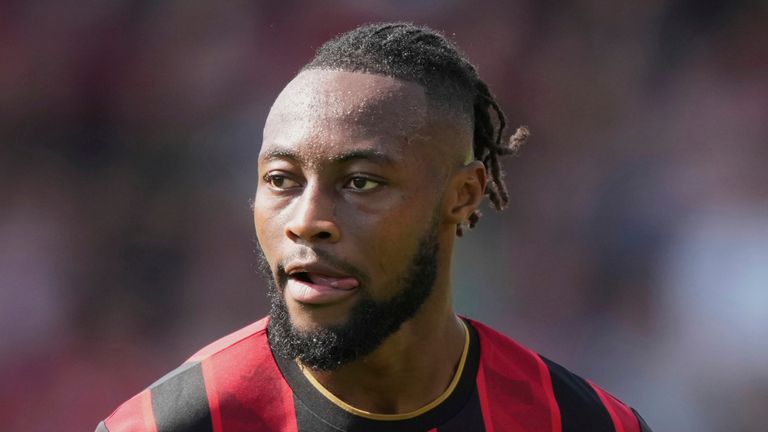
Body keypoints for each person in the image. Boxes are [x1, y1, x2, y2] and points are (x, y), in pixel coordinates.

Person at [97, 22, 652, 432]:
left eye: (361, 182)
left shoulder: (581, 423)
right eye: (282, 180)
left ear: (463, 195)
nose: (308, 222)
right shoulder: (164, 426)